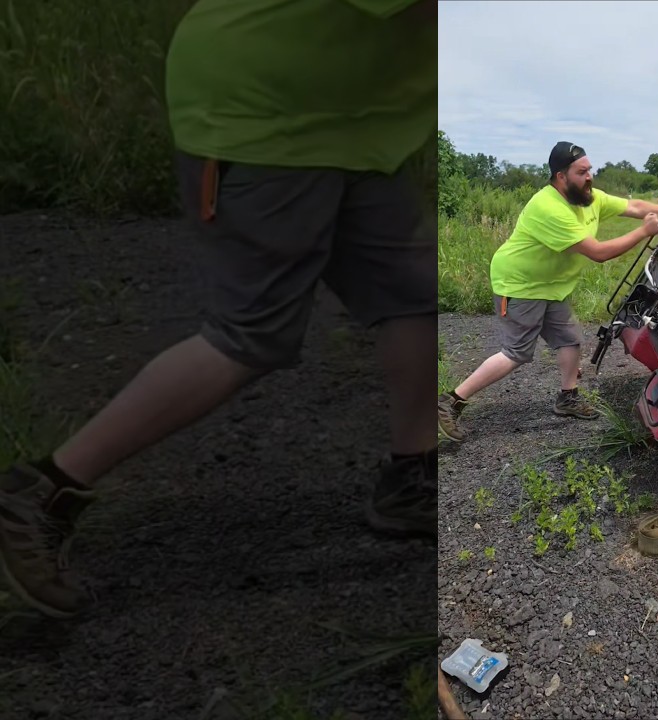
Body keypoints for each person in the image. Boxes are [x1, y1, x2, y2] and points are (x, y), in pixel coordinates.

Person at [0, 0, 435, 621]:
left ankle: (411, 479)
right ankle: (41, 492)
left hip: (357, 127)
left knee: (413, 297)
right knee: (252, 332)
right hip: (265, 118)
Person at [437, 142, 658, 442]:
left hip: (553, 286)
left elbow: (635, 206)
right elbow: (597, 252)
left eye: (590, 170)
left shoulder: (589, 198)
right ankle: (450, 401)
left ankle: (567, 398)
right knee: (517, 353)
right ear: (561, 176)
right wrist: (643, 232)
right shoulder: (548, 208)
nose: (590, 177)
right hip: (520, 284)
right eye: (582, 172)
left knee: (570, 340)